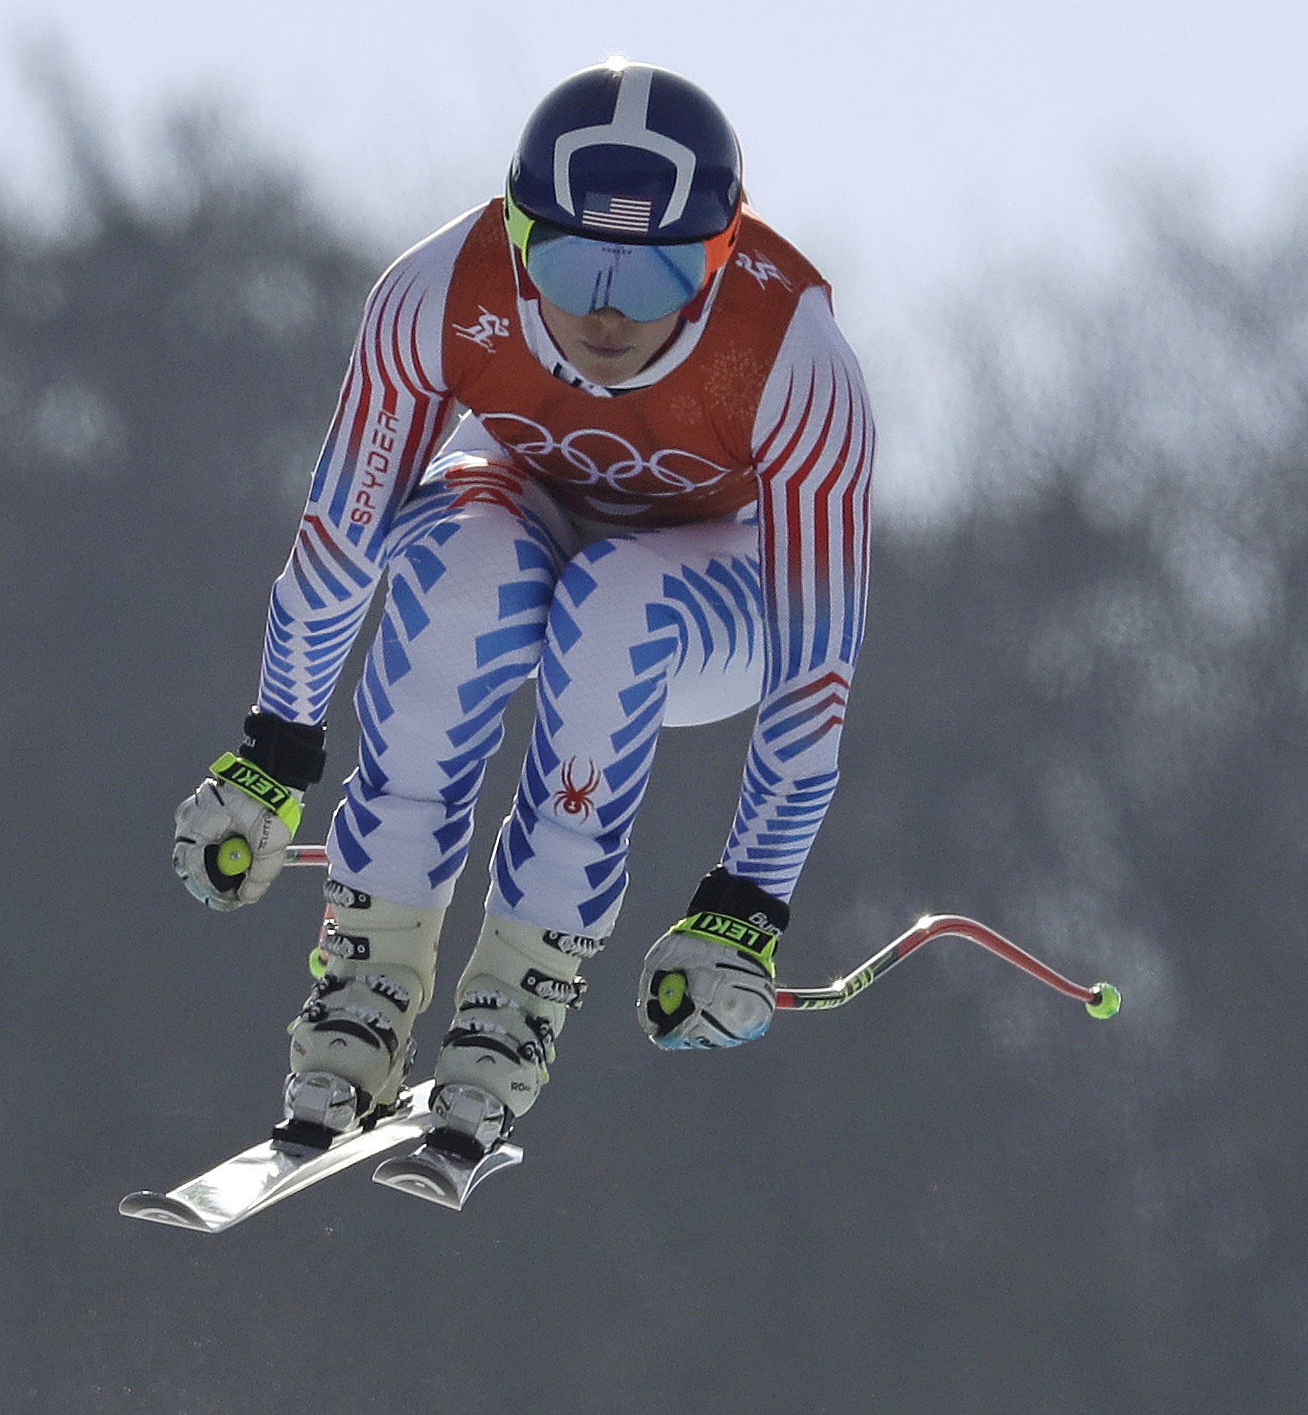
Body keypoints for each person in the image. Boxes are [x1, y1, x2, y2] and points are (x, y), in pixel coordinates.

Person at [168, 60, 873, 1170]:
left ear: (720, 259)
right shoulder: (441, 292)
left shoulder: (793, 357)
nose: (603, 310)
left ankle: (513, 1014)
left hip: (711, 588)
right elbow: (340, 537)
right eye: (570, 260)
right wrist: (274, 750)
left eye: (651, 280)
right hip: (530, 508)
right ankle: (365, 987)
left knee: (619, 603)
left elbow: (813, 672)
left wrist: (746, 901)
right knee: (461, 559)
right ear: (513, 230)